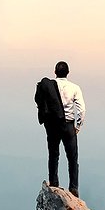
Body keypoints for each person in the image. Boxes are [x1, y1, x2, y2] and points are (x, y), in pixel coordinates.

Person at [34, 61, 86, 196]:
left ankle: (54, 182)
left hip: (52, 125)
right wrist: (78, 126)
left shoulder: (49, 86)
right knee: (72, 158)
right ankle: (73, 188)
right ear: (68, 72)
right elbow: (81, 109)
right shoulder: (74, 87)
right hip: (68, 124)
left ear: (55, 72)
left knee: (53, 154)